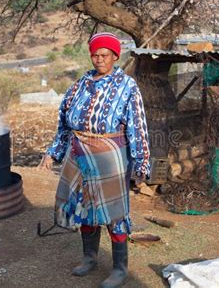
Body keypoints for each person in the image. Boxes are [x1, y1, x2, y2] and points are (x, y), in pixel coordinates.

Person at [39, 32, 150, 288]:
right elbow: (64, 123)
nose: (99, 59)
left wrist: (141, 162)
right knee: (83, 207)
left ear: (115, 56)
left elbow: (138, 126)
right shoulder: (80, 84)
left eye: (105, 55)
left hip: (110, 155)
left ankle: (120, 269)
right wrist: (53, 152)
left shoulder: (127, 86)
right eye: (95, 55)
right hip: (78, 154)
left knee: (113, 213)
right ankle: (89, 258)